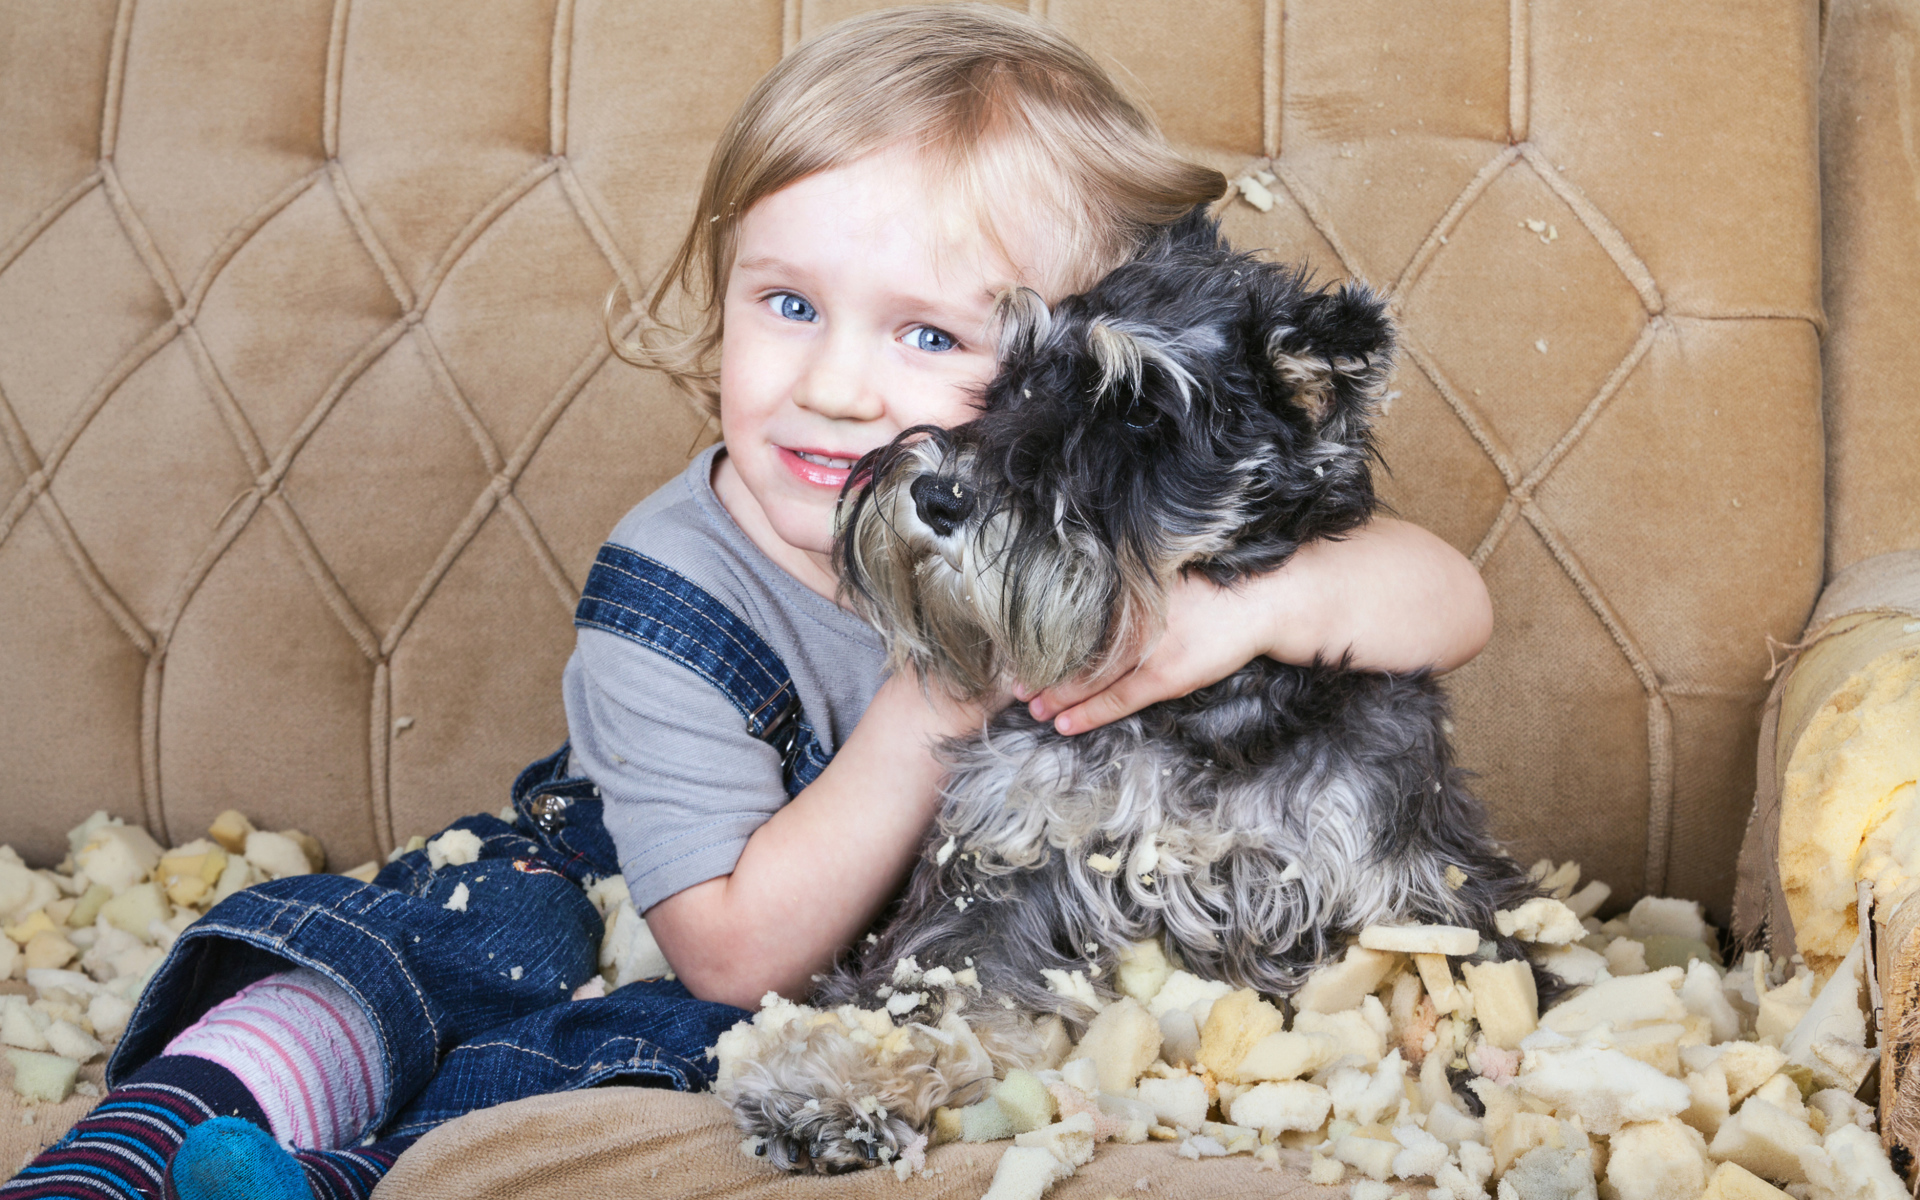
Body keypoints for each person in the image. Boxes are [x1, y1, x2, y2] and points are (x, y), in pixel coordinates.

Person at [4, 8, 1491, 1199]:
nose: (835, 384)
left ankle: (322, 1182)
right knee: (409, 982)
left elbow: (1448, 599)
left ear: (1064, 365)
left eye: (927, 333)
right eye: (784, 303)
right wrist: (937, 696)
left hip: (919, 949)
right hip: (654, 903)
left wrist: (1257, 609)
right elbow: (731, 949)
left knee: (652, 1081)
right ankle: (135, 1153)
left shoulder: (1123, 523)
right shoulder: (670, 587)